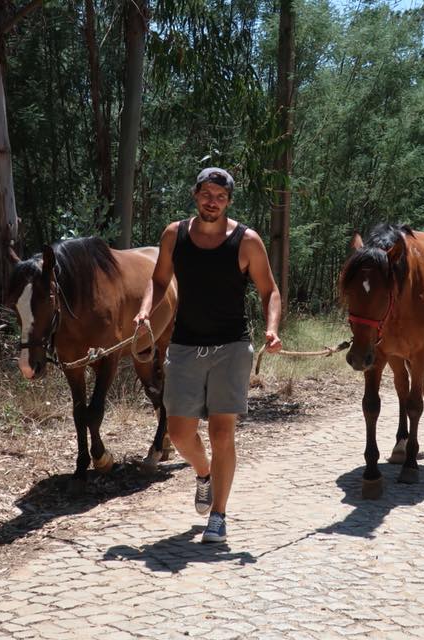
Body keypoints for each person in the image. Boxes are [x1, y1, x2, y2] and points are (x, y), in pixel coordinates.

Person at [135, 167, 282, 544]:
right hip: (185, 346)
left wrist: (272, 328)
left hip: (231, 348)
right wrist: (145, 311)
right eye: (206, 194)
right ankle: (204, 474)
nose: (212, 201)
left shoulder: (247, 241)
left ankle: (218, 515)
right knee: (179, 433)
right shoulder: (175, 235)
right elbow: (159, 280)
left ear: (228, 201)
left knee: (221, 433)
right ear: (195, 195)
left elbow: (269, 291)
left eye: (220, 196)